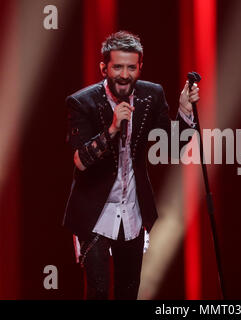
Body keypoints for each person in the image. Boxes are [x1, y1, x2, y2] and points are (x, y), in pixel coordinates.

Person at [63, 31, 200, 299]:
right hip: (94, 214)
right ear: (104, 68)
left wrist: (184, 112)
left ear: (139, 68)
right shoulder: (82, 102)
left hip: (133, 212)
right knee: (99, 291)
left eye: (130, 67)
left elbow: (172, 147)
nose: (124, 74)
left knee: (129, 292)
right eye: (117, 67)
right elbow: (80, 161)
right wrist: (112, 129)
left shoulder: (151, 95)